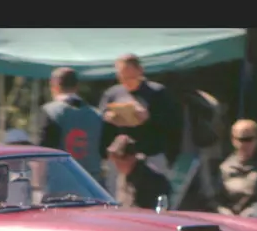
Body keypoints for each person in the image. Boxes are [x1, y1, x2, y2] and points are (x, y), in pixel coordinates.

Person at [98, 53, 183, 193]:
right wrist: (109, 117)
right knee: (118, 195)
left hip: (151, 153)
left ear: (140, 71)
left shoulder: (157, 92)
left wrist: (148, 117)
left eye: (130, 77)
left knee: (153, 194)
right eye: (122, 77)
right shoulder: (112, 93)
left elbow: (173, 123)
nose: (126, 82)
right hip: (120, 157)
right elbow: (101, 118)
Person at [37, 67, 104, 183]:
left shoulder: (50, 112)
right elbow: (103, 151)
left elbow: (43, 150)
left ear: (54, 86)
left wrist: (38, 181)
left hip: (60, 181)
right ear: (77, 86)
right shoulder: (97, 115)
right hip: (93, 183)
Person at [214, 119, 257, 216]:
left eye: (249, 139)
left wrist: (254, 209)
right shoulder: (223, 167)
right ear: (233, 141)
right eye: (241, 140)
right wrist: (222, 210)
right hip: (228, 219)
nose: (245, 145)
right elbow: (215, 198)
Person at [107, 134, 171, 210]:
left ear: (131, 158)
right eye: (116, 161)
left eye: (120, 161)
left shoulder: (148, 180)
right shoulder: (124, 175)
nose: (117, 165)